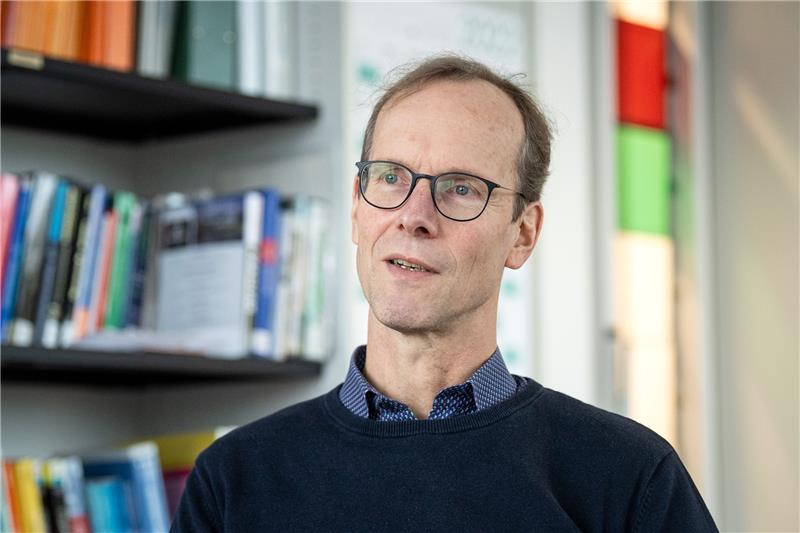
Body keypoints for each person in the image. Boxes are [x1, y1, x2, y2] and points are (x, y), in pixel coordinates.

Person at [171, 55, 718, 532]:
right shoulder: (232, 479)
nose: (414, 217)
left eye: (460, 189)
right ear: (358, 207)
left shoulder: (629, 477)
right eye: (390, 177)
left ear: (522, 233)